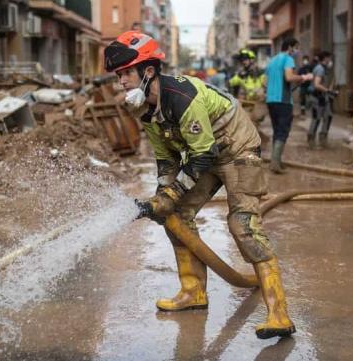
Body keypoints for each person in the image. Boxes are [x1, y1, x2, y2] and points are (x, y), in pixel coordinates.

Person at [105, 31, 295, 339]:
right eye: (118, 74)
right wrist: (162, 197)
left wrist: (171, 193)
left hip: (236, 148)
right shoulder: (144, 108)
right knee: (175, 217)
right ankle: (193, 292)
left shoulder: (182, 97)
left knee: (243, 224)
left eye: (126, 72)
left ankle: (279, 313)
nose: (121, 80)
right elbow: (166, 160)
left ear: (148, 71)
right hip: (205, 152)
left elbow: (204, 153)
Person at [263, 38, 313, 173]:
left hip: (271, 100)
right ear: (290, 47)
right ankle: (275, 163)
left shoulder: (272, 61)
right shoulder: (288, 59)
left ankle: (276, 161)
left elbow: (264, 82)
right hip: (283, 101)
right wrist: (304, 77)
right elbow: (289, 77)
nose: (297, 51)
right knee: (283, 131)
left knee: (277, 130)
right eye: (296, 48)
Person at [307, 51, 336, 149]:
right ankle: (311, 140)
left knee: (328, 116)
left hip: (324, 97)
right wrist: (328, 90)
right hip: (316, 98)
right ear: (326, 58)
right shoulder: (320, 69)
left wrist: (329, 90)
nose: (330, 60)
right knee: (316, 118)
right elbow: (316, 84)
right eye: (329, 58)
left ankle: (323, 139)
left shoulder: (325, 69)